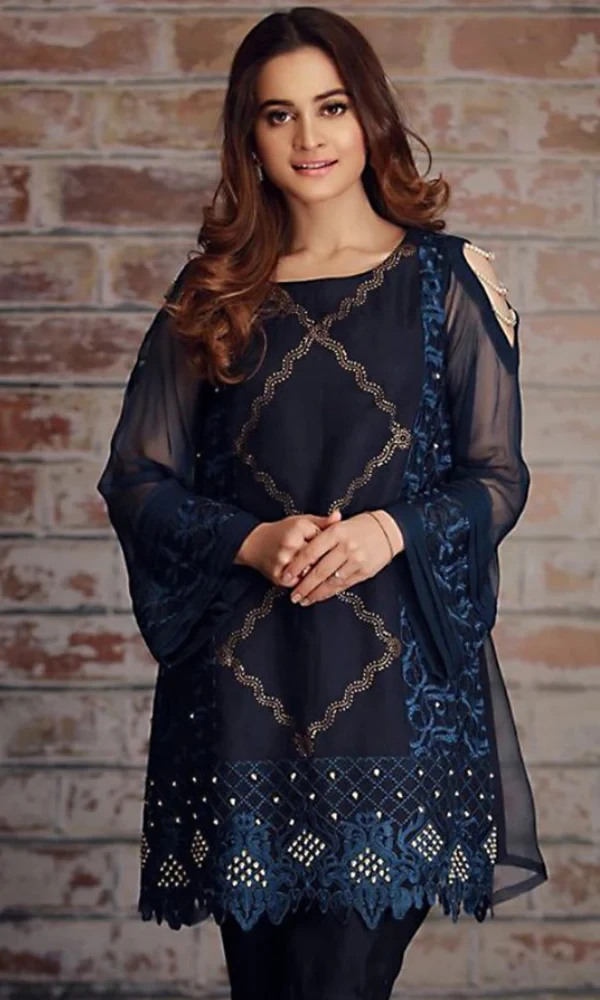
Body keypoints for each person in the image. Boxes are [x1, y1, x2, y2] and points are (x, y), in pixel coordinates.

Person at [96, 7, 548, 998]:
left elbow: (497, 476)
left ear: (369, 115)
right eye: (279, 114)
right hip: (243, 708)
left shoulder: (448, 282)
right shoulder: (213, 292)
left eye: (331, 107)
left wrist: (392, 528)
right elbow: (136, 479)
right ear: (249, 136)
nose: (309, 136)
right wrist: (249, 539)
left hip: (398, 712)